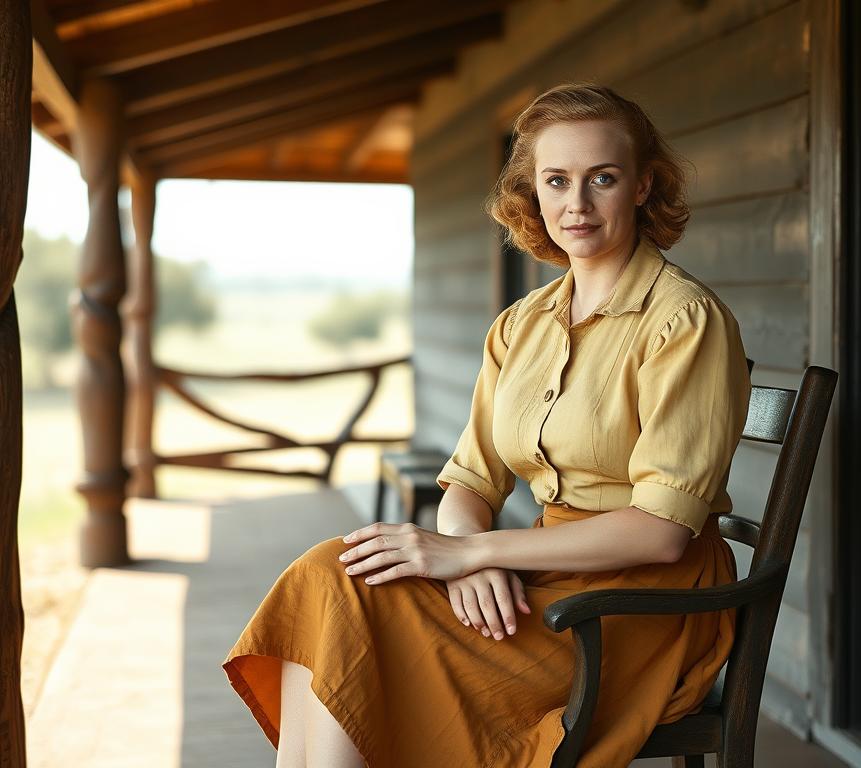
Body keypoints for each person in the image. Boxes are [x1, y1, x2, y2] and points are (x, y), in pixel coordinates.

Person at [222, 82, 752, 768]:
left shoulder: (683, 321)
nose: (577, 204)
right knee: (331, 577)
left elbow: (660, 533)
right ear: (533, 191)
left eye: (604, 178)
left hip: (637, 611)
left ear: (644, 186)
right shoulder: (522, 324)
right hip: (545, 574)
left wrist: (479, 555)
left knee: (355, 618)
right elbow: (471, 480)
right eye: (556, 181)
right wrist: (468, 551)